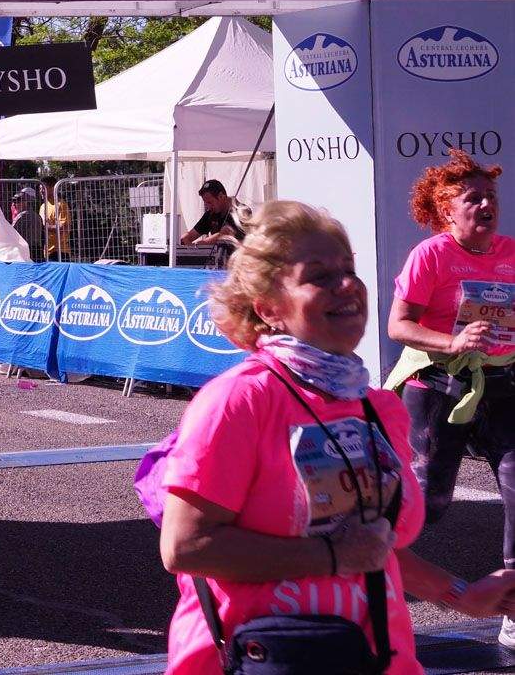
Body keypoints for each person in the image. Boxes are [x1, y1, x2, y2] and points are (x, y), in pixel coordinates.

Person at [159, 200, 515, 673]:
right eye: (320, 276)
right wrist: (329, 556)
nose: (347, 285)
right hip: (263, 656)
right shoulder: (239, 400)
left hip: (374, 655)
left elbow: (373, 548)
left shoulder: (376, 406)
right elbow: (185, 547)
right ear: (270, 308)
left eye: (349, 269)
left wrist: (462, 595)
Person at [384, 149, 515, 646]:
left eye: (491, 197)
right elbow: (400, 325)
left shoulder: (510, 251)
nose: (486, 205)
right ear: (447, 211)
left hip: (501, 382)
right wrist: (452, 342)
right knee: (429, 502)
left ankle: (513, 606)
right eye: (473, 197)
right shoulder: (431, 256)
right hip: (439, 383)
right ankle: (370, 575)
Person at [181, 178, 242, 246]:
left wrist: (196, 246)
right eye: (205, 203)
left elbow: (224, 234)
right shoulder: (212, 213)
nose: (208, 207)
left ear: (221, 196)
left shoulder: (241, 212)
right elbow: (190, 235)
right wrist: (183, 240)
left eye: (210, 202)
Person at [38, 177, 71, 262]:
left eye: (44, 188)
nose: (41, 191)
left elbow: (62, 227)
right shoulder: (43, 206)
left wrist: (44, 227)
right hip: (46, 251)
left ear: (52, 188)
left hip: (59, 251)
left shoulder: (61, 204)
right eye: (40, 188)